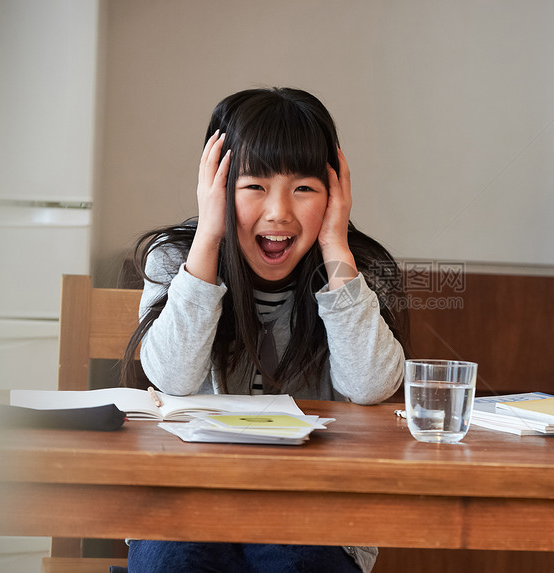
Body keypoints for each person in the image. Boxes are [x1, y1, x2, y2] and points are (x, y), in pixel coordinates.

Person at [120, 87, 408, 573]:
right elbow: (173, 376)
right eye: (253, 186)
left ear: (335, 195)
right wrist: (209, 237)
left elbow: (371, 383)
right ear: (216, 187)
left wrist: (336, 245)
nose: (278, 212)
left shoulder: (358, 270)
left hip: (315, 504)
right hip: (185, 499)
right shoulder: (175, 259)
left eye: (304, 189)